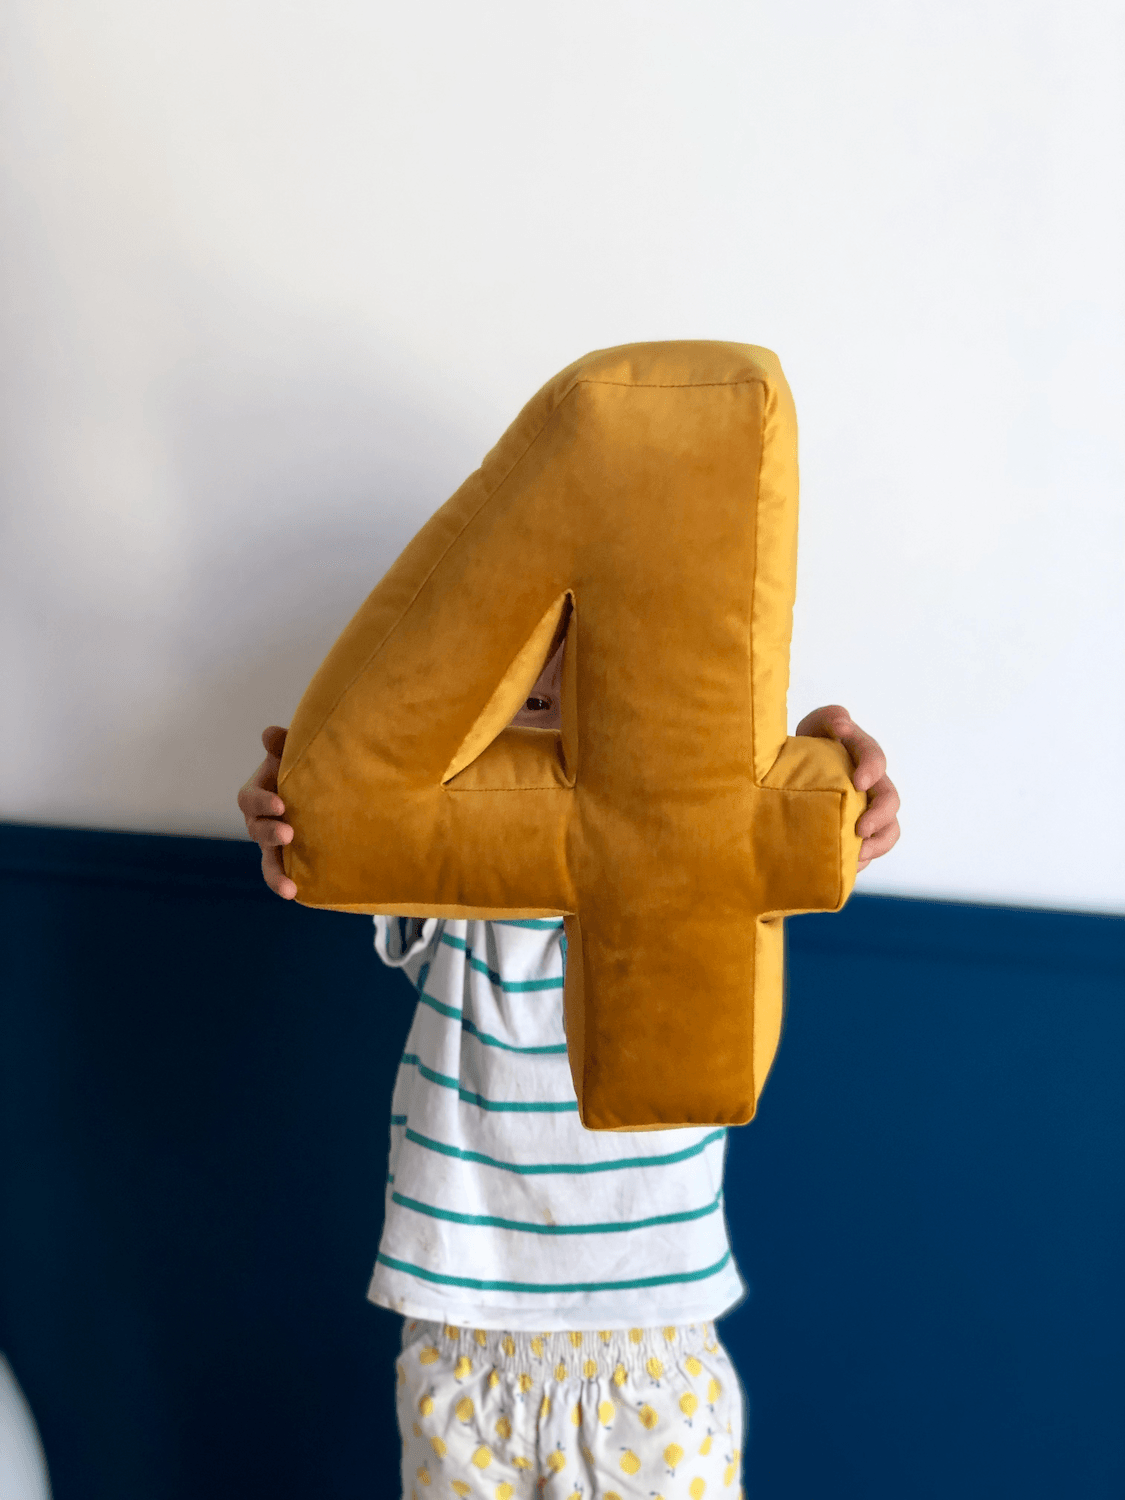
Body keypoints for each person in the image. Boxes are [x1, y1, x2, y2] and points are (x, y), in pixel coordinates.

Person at [238, 641, 900, 1500]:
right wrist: (306, 800)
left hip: (653, 1339)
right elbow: (341, 827)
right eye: (532, 639)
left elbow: (806, 818)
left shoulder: (701, 845)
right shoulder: (453, 851)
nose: (551, 677)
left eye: (582, 637)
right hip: (465, 1330)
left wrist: (830, 765)